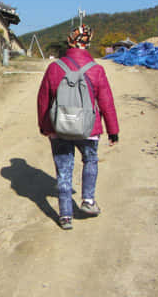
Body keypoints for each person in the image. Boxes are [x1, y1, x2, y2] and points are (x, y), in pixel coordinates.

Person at [37, 25, 119, 230]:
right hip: (88, 129)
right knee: (90, 159)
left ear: (69, 41)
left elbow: (43, 101)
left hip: (59, 128)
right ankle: (88, 201)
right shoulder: (96, 69)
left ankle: (65, 215)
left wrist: (45, 126)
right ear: (88, 43)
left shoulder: (54, 68)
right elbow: (106, 102)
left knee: (64, 170)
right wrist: (113, 130)